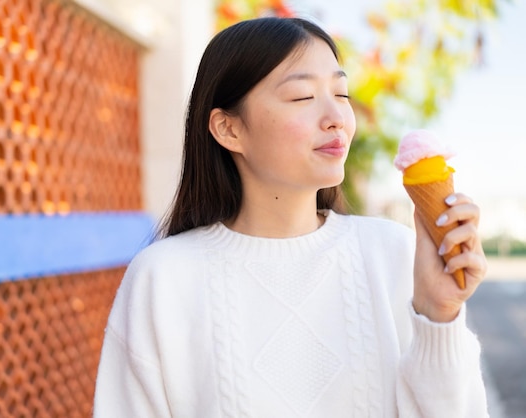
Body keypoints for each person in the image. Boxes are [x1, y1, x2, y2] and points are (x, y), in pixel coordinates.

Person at [93, 17, 489, 417]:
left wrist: (439, 317)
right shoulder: (162, 278)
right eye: (303, 96)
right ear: (229, 129)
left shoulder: (396, 253)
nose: (337, 116)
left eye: (341, 93)